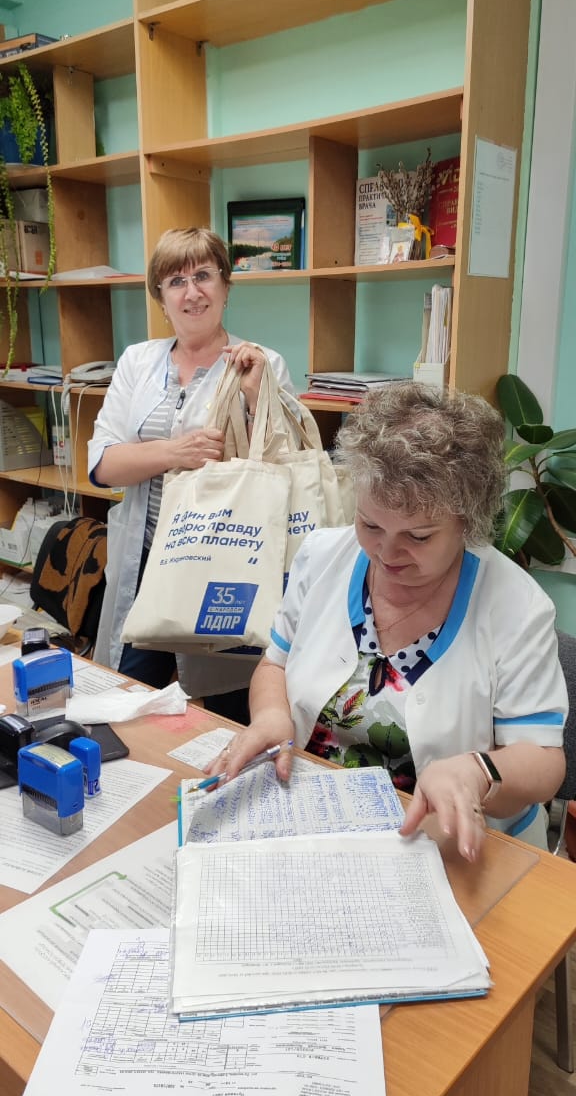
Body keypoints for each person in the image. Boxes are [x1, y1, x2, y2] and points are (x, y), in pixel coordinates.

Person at [208, 381, 567, 860]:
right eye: (371, 525)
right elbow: (276, 664)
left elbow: (544, 760)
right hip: (322, 821)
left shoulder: (516, 606)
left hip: (458, 847)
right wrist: (273, 717)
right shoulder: (322, 556)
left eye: (418, 537)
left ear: (468, 522)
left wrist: (478, 772)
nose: (387, 552)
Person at [87, 226, 298, 716]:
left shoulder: (262, 363)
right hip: (145, 563)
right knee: (128, 700)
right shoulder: (137, 361)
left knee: (230, 705)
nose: (192, 292)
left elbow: (283, 470)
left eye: (203, 275)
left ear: (225, 286)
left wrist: (255, 396)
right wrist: (174, 452)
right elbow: (103, 466)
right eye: (176, 281)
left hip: (226, 562)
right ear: (161, 297)